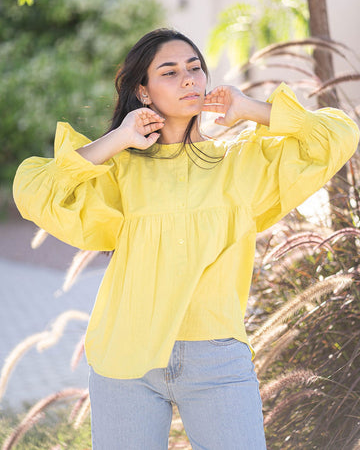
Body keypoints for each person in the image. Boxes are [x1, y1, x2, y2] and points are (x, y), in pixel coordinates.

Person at [13, 28, 359, 450]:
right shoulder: (121, 169)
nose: (189, 79)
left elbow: (337, 135)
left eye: (195, 68)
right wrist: (120, 138)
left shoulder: (239, 162)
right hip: (127, 356)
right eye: (170, 72)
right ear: (143, 91)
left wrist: (251, 108)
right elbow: (36, 191)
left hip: (216, 357)